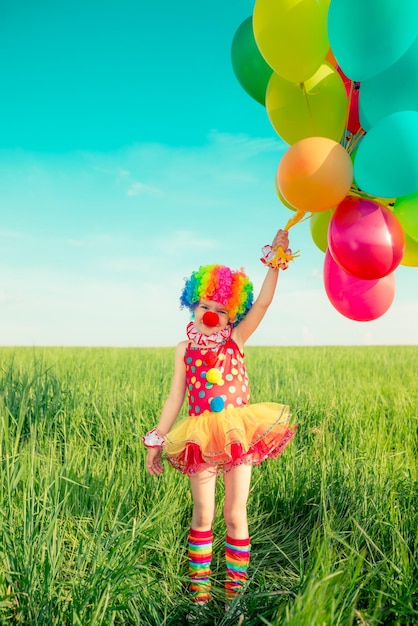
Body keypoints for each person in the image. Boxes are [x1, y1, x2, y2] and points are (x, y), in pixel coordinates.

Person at [142, 229, 297, 620]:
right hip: (197, 436)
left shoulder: (237, 339)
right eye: (204, 305)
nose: (210, 313)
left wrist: (276, 262)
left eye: (220, 308)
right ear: (192, 305)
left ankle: (235, 598)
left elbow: (262, 304)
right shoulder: (185, 348)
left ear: (232, 314)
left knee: (235, 513)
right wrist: (158, 437)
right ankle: (198, 599)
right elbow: (175, 397)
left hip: (238, 434)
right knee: (203, 514)